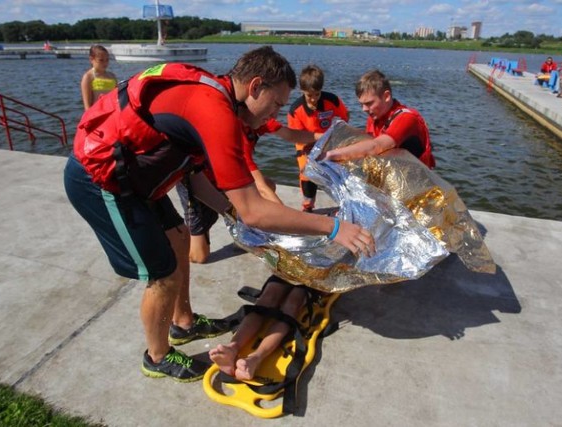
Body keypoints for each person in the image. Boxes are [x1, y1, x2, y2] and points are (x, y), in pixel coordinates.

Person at [63, 46, 374, 382]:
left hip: (138, 182)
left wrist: (228, 210)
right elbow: (253, 211)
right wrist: (333, 227)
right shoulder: (215, 111)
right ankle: (157, 356)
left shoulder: (217, 96)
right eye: (276, 104)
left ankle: (183, 323)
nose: (275, 114)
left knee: (181, 238)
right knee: (163, 275)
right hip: (101, 181)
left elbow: (195, 178)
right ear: (256, 87)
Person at [176, 118, 318, 264]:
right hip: (200, 181)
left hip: (224, 177)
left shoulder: (260, 116)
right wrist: (293, 229)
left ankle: (245, 228)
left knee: (269, 185)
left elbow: (289, 134)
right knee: (199, 257)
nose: (274, 114)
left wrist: (320, 136)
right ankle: (176, 236)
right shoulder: (238, 138)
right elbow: (262, 190)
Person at [324, 69, 435, 169]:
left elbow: (376, 146)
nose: (364, 109)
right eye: (361, 104)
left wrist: (332, 154)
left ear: (386, 96)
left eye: (369, 103)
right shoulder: (374, 117)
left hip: (418, 184)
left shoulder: (406, 118)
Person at [209, 275, 308, 380]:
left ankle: (255, 359)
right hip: (289, 266)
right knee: (268, 297)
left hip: (313, 277)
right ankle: (232, 348)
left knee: (292, 303)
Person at [287, 65, 349, 212]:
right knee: (306, 172)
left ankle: (344, 203)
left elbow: (345, 119)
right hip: (306, 145)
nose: (314, 99)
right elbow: (296, 136)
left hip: (330, 141)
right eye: (309, 95)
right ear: (302, 91)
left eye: (317, 94)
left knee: (339, 171)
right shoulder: (295, 110)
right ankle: (308, 204)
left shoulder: (333, 100)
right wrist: (313, 146)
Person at [80, 44, 117, 110]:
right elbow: (87, 106)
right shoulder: (88, 77)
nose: (105, 63)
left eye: (107, 60)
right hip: (97, 113)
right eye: (101, 60)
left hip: (111, 111)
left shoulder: (112, 76)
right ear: (91, 59)